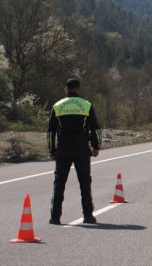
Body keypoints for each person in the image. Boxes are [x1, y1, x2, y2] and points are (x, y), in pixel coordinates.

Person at [47, 77, 102, 225]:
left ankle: (55, 217)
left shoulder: (57, 105)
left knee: (59, 183)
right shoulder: (86, 105)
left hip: (63, 149)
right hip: (81, 149)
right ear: (78, 89)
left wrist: (52, 149)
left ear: (66, 89)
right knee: (85, 183)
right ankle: (88, 216)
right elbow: (95, 129)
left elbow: (51, 132)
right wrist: (96, 147)